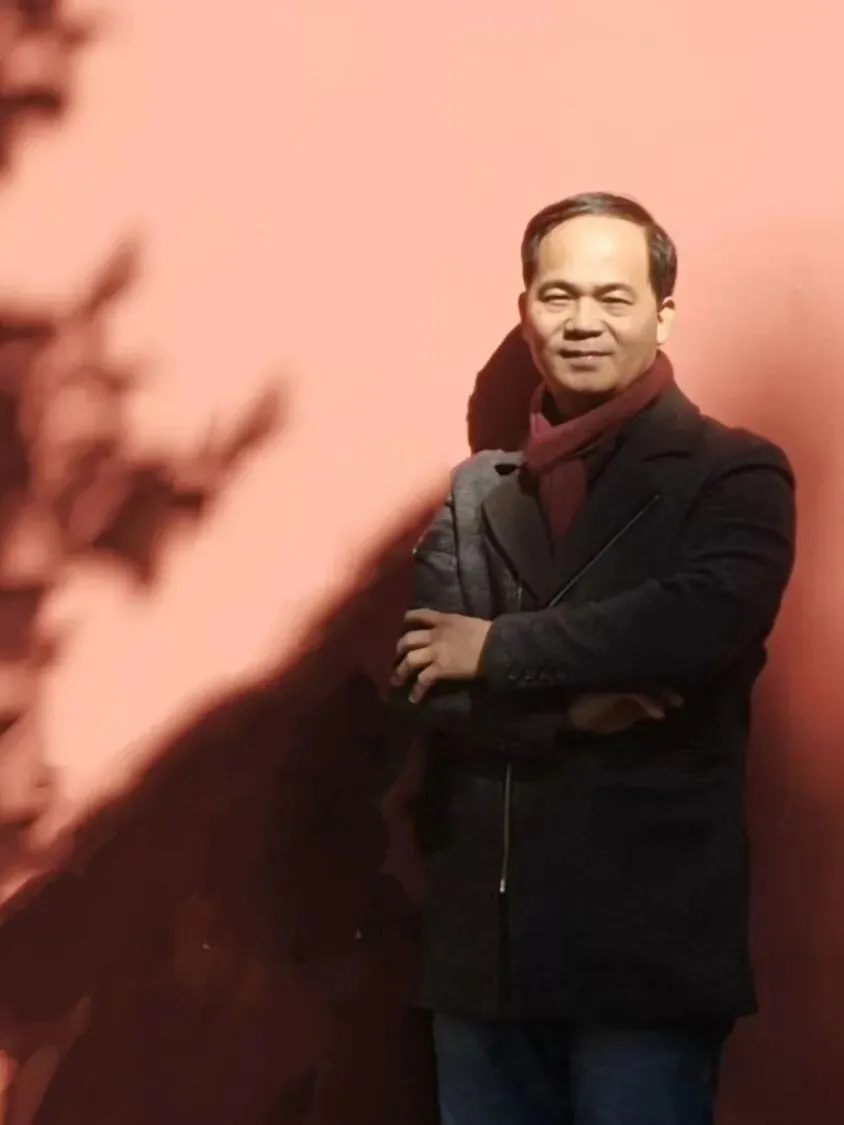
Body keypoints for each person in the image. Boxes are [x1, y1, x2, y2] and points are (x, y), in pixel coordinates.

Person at [389, 191, 797, 1125]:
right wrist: (570, 712)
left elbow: (699, 622)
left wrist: (496, 648)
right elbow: (422, 681)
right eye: (558, 294)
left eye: (614, 298)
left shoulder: (734, 471)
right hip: (485, 954)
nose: (583, 322)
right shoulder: (476, 491)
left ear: (663, 313)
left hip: (644, 952)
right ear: (526, 309)